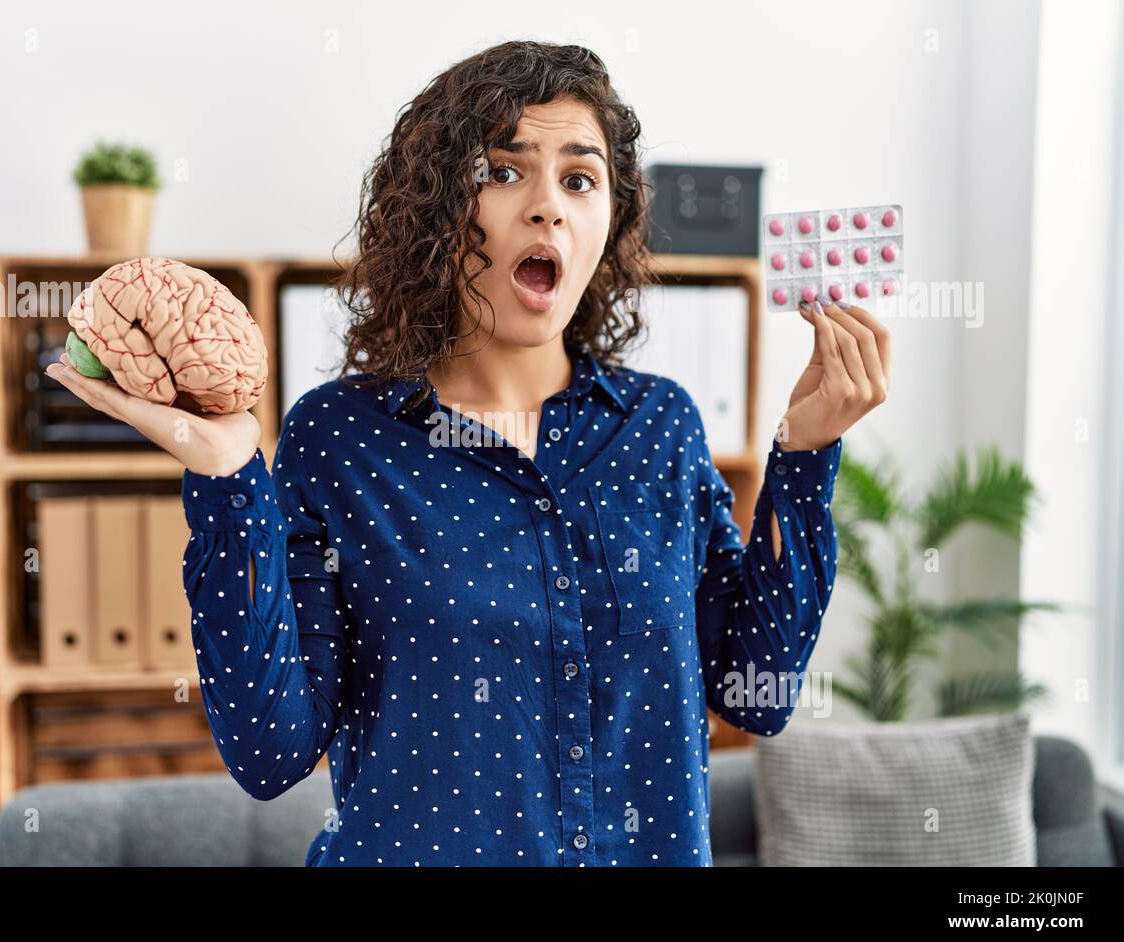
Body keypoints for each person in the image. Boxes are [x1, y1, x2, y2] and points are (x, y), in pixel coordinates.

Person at [45, 40, 889, 866]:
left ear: (610, 222)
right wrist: (229, 474)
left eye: (580, 179)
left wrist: (806, 451)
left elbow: (755, 689)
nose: (548, 205)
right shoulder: (340, 438)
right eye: (504, 171)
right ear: (437, 207)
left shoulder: (661, 427)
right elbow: (271, 755)